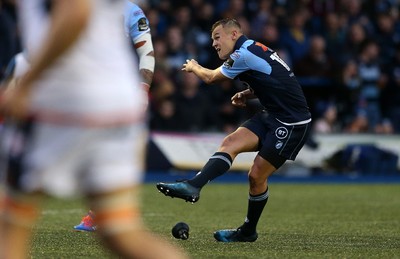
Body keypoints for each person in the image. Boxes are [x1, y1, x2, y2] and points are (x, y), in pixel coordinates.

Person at [0, 0, 187, 258]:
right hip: (117, 102)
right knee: (121, 234)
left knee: (9, 226)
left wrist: (26, 85)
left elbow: (75, 13)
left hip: (61, 102)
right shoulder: (132, 10)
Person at [157, 18, 312, 242]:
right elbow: (275, 79)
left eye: (217, 37)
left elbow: (210, 78)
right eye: (212, 39)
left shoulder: (244, 54)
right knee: (230, 143)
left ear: (234, 34)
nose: (214, 43)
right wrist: (248, 93)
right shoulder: (253, 49)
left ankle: (248, 232)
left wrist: (193, 67)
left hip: (291, 123)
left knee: (256, 175)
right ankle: (193, 186)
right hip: (272, 114)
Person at [73, 0, 155, 232]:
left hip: (114, 89)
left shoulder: (132, 11)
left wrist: (143, 88)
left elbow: (147, 51)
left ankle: (105, 213)